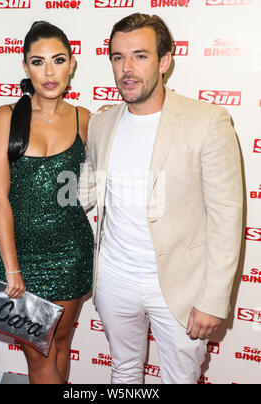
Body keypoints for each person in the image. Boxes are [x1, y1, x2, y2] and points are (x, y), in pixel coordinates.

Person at [80, 13, 243, 384]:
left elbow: (226, 217)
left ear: (165, 61)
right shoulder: (102, 124)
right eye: (118, 57)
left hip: (180, 285)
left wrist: (212, 299)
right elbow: (84, 192)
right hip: (115, 278)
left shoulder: (208, 121)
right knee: (123, 371)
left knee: (179, 379)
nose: (127, 68)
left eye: (140, 55)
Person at [0, 21, 94, 384]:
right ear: (25, 67)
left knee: (62, 342)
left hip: (71, 249)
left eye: (58, 60)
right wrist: (12, 269)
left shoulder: (84, 119)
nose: (49, 72)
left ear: (72, 64)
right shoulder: (6, 117)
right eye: (38, 62)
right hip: (21, 259)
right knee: (39, 354)